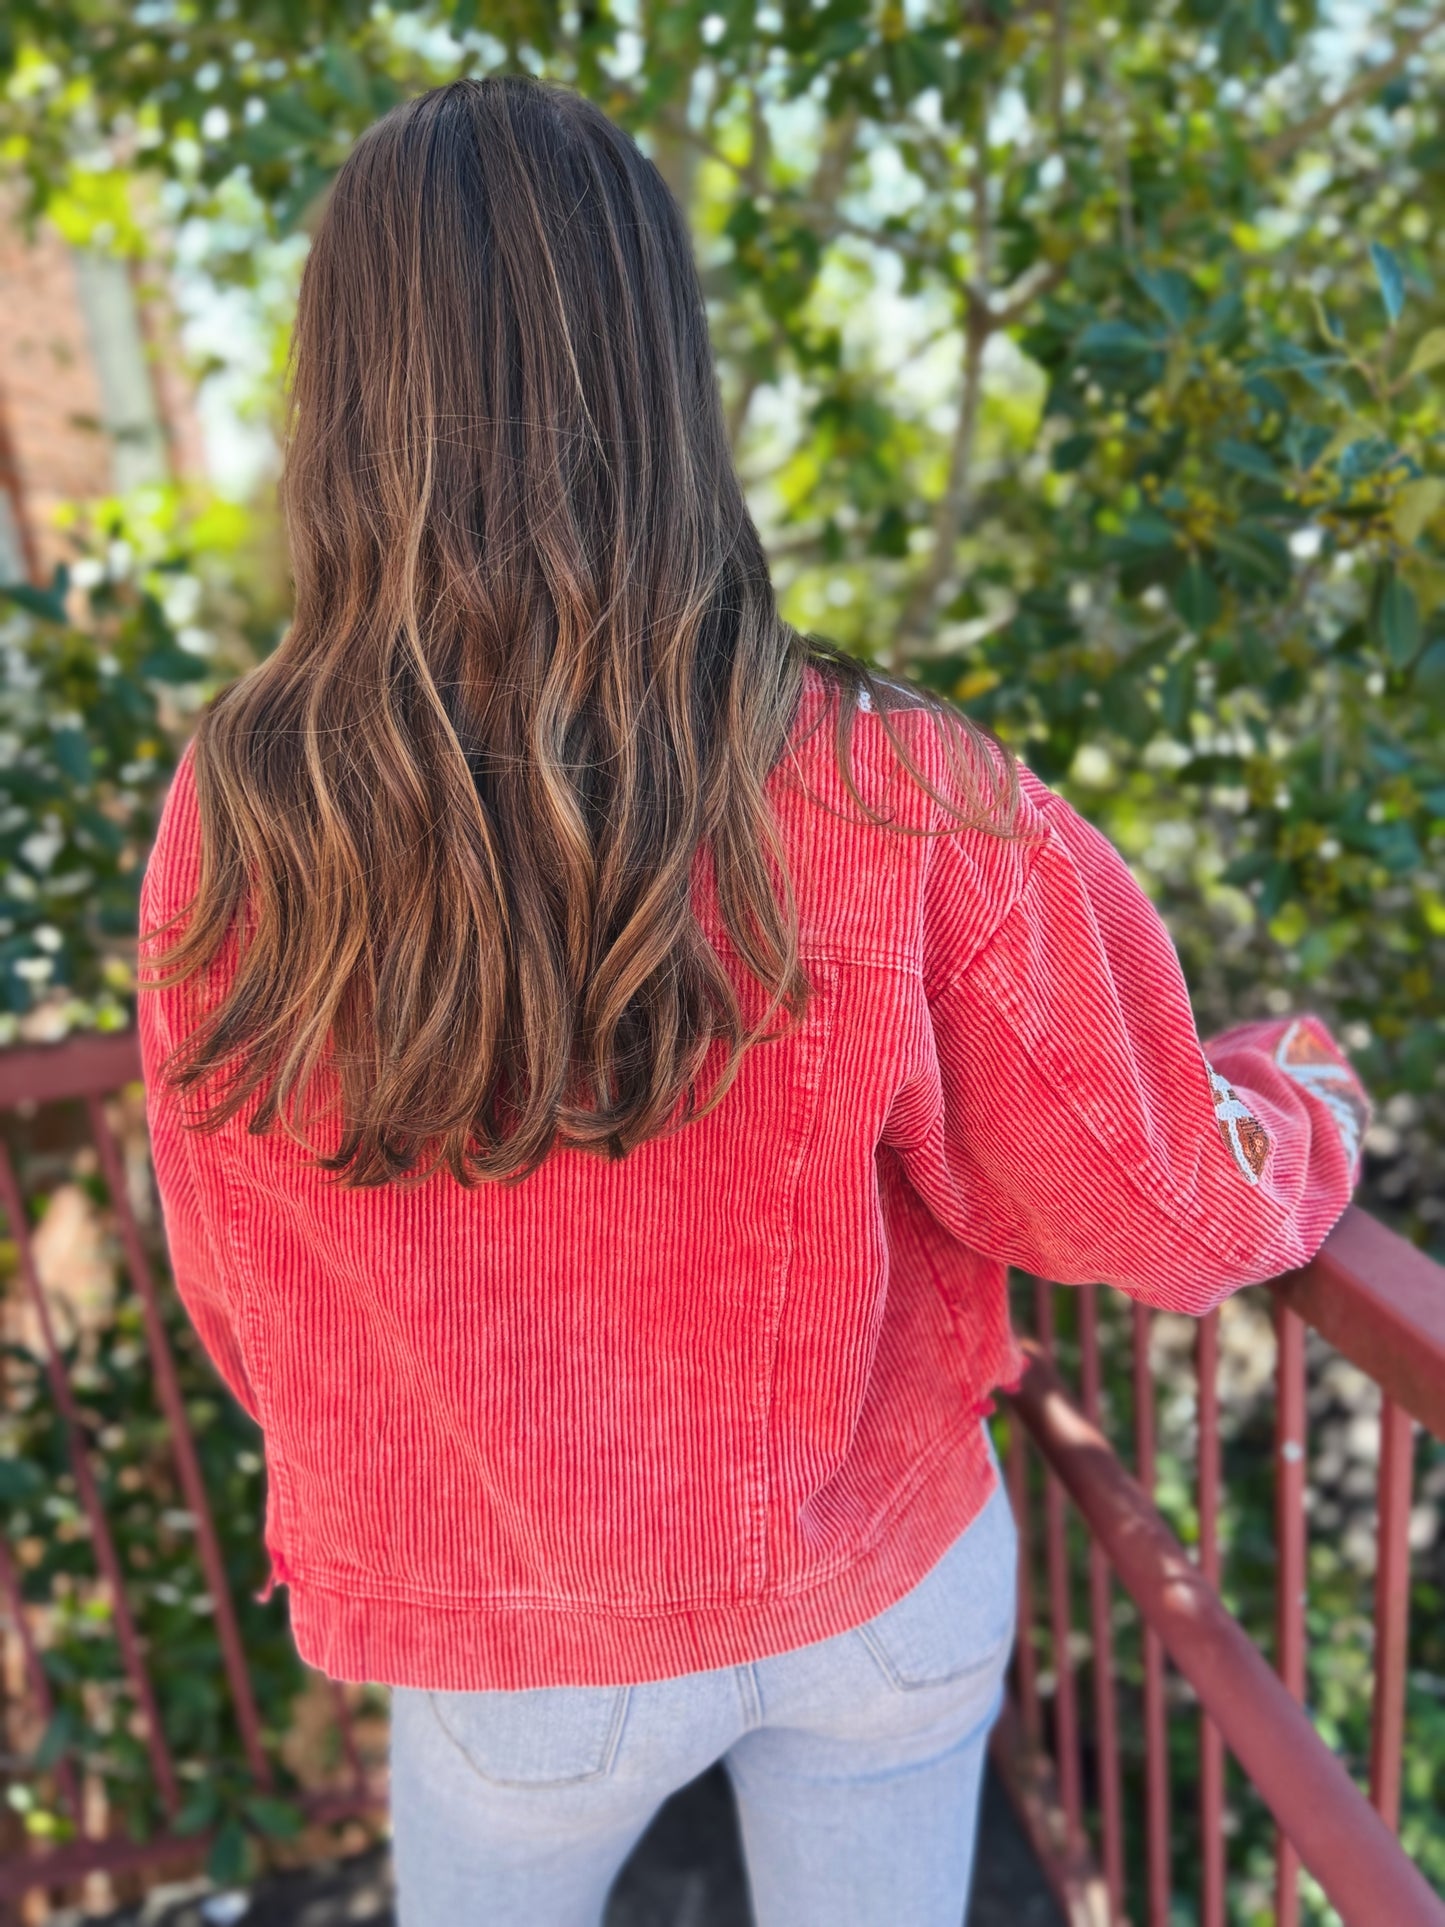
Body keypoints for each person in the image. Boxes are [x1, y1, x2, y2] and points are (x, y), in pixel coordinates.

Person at [138, 75, 1369, 1927]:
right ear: (661, 380)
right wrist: (1296, 1101)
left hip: (509, 1630)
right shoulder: (885, 779)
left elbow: (238, 1292)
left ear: (344, 394)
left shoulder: (245, 814)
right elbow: (1151, 1196)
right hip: (870, 1589)